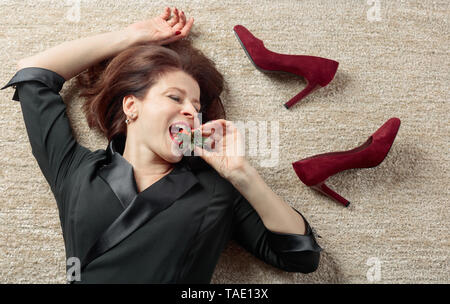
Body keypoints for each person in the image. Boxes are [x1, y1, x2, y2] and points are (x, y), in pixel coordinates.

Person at [1, 7, 322, 283]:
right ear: (131, 106)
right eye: (174, 97)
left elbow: (300, 256)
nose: (190, 111)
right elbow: (35, 74)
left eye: (196, 108)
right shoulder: (76, 170)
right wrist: (133, 36)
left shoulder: (215, 188)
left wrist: (242, 174)